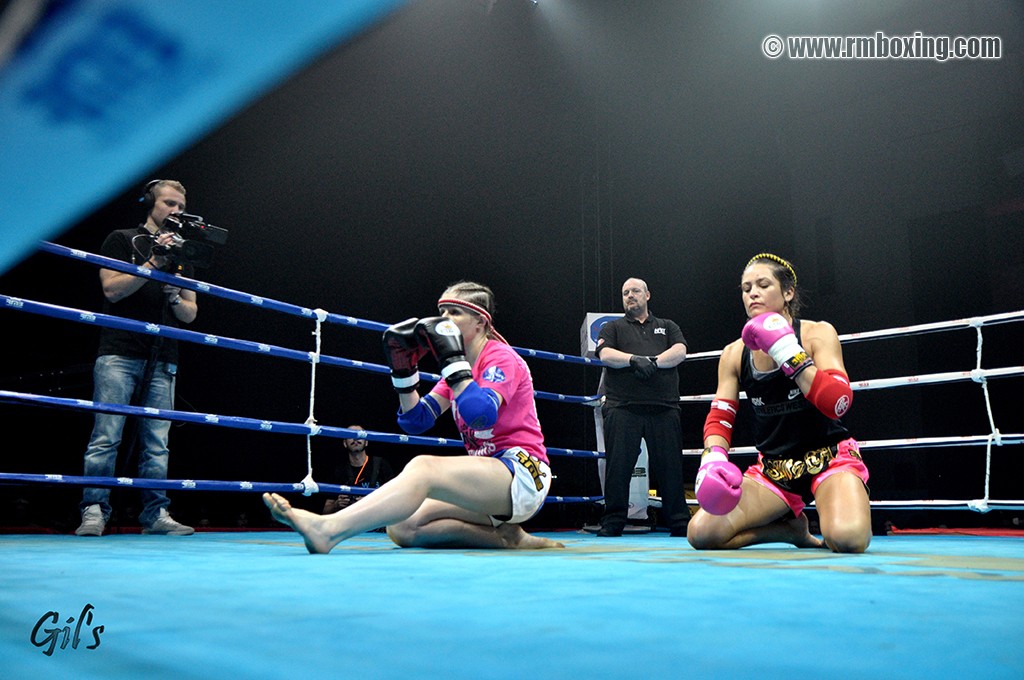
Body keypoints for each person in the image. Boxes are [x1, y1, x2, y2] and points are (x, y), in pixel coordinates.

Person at [264, 281, 563, 553]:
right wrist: (404, 374)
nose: (443, 320)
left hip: (523, 472)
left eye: (455, 312)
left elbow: (480, 416)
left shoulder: (501, 358)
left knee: (424, 467)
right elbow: (416, 420)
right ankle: (508, 538)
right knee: (402, 526)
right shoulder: (454, 373)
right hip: (489, 483)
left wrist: (454, 365)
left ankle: (327, 529)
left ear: (480, 322)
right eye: (441, 311)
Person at [687, 253, 872, 553]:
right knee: (701, 534)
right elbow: (720, 417)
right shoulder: (734, 354)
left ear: (788, 292)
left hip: (829, 458)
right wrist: (713, 457)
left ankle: (846, 502)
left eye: (763, 284)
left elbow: (838, 402)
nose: (753, 293)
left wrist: (787, 352)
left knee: (847, 539)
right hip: (775, 470)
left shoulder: (816, 334)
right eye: (746, 289)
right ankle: (788, 531)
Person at [74, 179, 198, 537]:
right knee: (106, 436)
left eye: (181, 207)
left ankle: (156, 514)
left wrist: (176, 296)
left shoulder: (183, 252)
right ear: (151, 204)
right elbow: (112, 289)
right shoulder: (122, 239)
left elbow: (191, 313)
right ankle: (94, 510)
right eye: (170, 204)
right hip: (118, 351)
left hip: (164, 355)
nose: (176, 212)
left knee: (157, 443)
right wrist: (154, 264)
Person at [594, 277, 690, 537]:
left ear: (647, 295)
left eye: (635, 291)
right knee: (618, 466)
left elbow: (680, 351)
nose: (630, 296)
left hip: (664, 406)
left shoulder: (667, 326)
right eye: (625, 292)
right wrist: (634, 359)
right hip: (622, 406)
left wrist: (654, 362)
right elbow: (605, 355)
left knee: (671, 466)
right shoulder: (611, 327)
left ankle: (680, 523)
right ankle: (612, 522)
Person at [321, 426, 395, 514]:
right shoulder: (338, 470)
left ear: (366, 442)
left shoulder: (381, 465)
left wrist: (371, 502)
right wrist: (336, 505)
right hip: (351, 523)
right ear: (345, 443)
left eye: (359, 435)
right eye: (350, 435)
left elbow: (395, 501)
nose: (355, 438)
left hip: (377, 521)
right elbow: (325, 511)